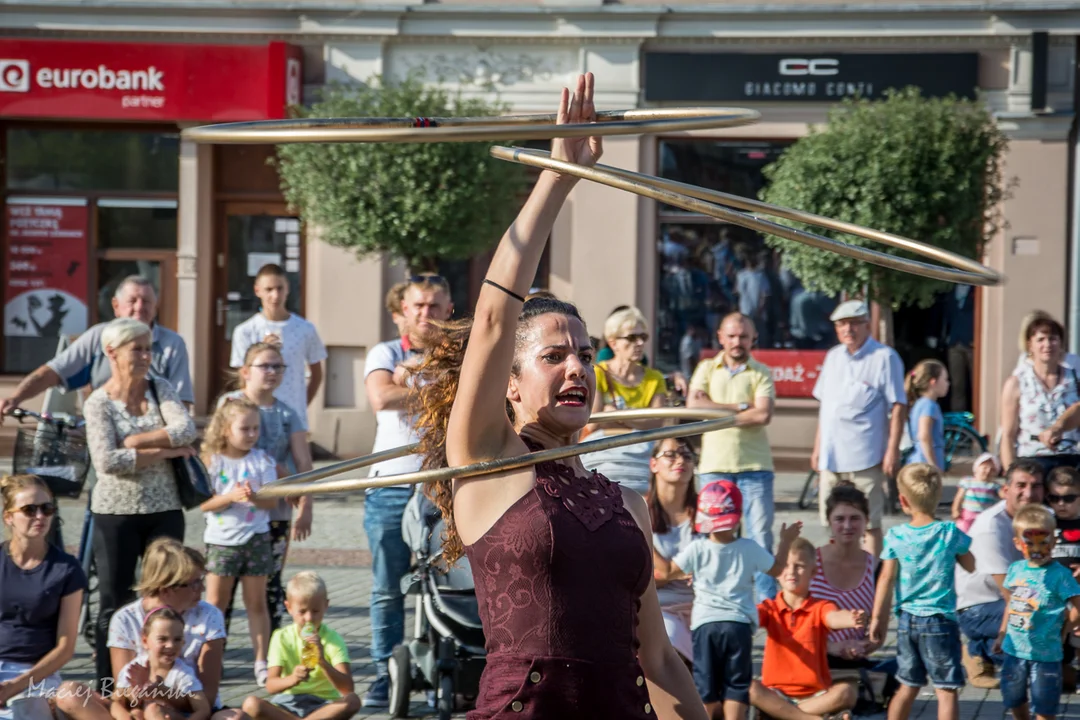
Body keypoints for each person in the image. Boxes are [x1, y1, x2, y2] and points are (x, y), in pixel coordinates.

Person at [409, 73, 706, 719]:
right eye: (553, 356)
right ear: (508, 386)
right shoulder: (487, 463)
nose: (578, 366)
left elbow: (655, 660)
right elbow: (492, 318)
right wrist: (559, 175)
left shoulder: (628, 502)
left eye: (586, 353)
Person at [83, 318, 198, 689]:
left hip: (164, 511)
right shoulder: (97, 403)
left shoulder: (159, 387)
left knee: (166, 598)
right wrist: (161, 451)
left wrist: (134, 441)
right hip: (114, 514)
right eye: (139, 349)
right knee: (114, 603)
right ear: (112, 353)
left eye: (150, 348)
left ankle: (168, 682)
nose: (147, 356)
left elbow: (186, 430)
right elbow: (106, 462)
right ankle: (109, 685)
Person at [360, 273, 453, 708]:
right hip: (391, 485)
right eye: (418, 306)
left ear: (449, 310)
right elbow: (381, 398)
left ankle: (445, 668)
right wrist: (439, 388)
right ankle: (385, 673)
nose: (426, 314)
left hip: (444, 485)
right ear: (404, 310)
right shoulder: (386, 351)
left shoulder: (460, 355)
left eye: (434, 306)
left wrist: (411, 383)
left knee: (451, 584)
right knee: (387, 587)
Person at [665, 480, 802, 720]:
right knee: (736, 688)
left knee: (705, 687)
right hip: (738, 624)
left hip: (705, 625)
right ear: (737, 516)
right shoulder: (749, 548)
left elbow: (668, 572)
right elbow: (778, 568)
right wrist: (786, 540)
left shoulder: (697, 549)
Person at [219, 343, 314, 639]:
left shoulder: (288, 413)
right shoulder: (230, 403)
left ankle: (271, 658)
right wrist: (279, 473)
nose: (272, 372)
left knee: (270, 584)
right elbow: (216, 450)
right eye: (265, 366)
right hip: (232, 511)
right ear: (245, 372)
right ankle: (213, 656)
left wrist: (306, 506)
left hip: (275, 512)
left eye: (278, 367)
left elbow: (304, 461)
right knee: (225, 586)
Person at [0, 276, 194, 418]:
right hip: (101, 426)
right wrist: (15, 398)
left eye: (147, 301)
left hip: (151, 429)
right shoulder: (99, 336)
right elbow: (54, 371)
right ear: (116, 306)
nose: (140, 307)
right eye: (132, 301)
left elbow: (181, 402)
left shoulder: (172, 344)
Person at [870, 463, 974, 720]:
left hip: (907, 621)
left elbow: (885, 578)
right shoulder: (948, 532)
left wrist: (877, 619)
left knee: (907, 685)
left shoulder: (896, 535)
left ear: (903, 500)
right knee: (946, 690)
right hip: (940, 621)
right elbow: (971, 565)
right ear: (938, 497)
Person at [687, 312, 777, 601]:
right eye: (732, 336)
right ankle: (714, 599)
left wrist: (717, 411)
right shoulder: (705, 368)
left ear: (753, 339)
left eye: (744, 336)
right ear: (721, 338)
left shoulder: (761, 371)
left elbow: (763, 414)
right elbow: (694, 407)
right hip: (714, 465)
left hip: (756, 467)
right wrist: (741, 407)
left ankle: (767, 608)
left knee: (761, 538)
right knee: (713, 538)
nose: (738, 342)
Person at [103, 539, 239, 720]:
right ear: (166, 588)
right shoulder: (125, 619)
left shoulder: (209, 615)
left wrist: (161, 693)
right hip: (144, 711)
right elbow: (126, 697)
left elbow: (208, 696)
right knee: (71, 694)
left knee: (236, 717)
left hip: (196, 709)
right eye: (194, 583)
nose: (202, 588)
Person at [812, 299, 906, 560]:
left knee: (870, 522)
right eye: (842, 324)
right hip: (832, 455)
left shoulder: (884, 357)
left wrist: (892, 450)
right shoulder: (833, 357)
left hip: (866, 454)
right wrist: (818, 448)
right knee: (831, 519)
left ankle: (869, 577)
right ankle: (836, 574)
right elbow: (826, 409)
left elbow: (898, 405)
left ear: (867, 324)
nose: (848, 329)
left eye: (854, 323)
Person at [200, 397, 280, 686]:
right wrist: (230, 497)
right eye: (244, 428)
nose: (251, 434)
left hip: (256, 539)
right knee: (215, 604)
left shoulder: (262, 460)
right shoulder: (212, 461)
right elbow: (204, 504)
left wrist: (255, 497)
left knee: (256, 604)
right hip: (221, 542)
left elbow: (272, 502)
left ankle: (261, 662)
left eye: (255, 428)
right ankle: (209, 660)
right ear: (225, 430)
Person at [749, 538, 866, 720]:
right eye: (786, 566)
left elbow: (833, 617)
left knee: (846, 692)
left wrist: (851, 618)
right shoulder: (769, 608)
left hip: (815, 694)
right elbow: (749, 617)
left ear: (813, 572)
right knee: (750, 688)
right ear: (777, 572)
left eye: (799, 566)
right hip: (775, 692)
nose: (792, 571)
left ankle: (783, 715)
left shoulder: (820, 606)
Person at [0, 475, 86, 720]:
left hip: (37, 673)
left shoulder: (66, 569)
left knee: (24, 714)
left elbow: (66, 647)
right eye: (29, 510)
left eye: (47, 509)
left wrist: (15, 685)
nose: (40, 517)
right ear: (9, 517)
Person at [956, 459, 1046, 689]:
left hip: (1020, 597)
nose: (1029, 493)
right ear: (1005, 490)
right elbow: (1012, 595)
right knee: (1034, 660)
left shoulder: (1042, 516)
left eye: (1035, 486)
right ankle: (978, 651)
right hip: (978, 607)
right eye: (1021, 485)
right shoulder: (991, 526)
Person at [994, 504, 1080, 720]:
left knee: (1044, 705)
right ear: (1017, 543)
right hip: (1014, 650)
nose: (1037, 548)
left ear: (1054, 541)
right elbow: (1012, 603)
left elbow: (1078, 605)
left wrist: (1065, 628)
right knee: (1013, 697)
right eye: (1029, 543)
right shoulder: (1016, 569)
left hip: (1046, 654)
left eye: (1044, 542)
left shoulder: (1060, 575)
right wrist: (1002, 633)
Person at [241, 572, 360, 720]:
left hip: (323, 705)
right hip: (287, 704)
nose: (309, 618)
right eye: (302, 611)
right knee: (251, 704)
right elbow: (271, 686)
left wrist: (322, 662)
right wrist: (293, 678)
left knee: (353, 701)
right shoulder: (281, 637)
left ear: (326, 605)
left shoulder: (332, 638)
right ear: (289, 607)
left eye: (315, 611)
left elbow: (347, 688)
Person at [580, 306, 670, 495]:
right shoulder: (598, 372)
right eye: (631, 338)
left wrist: (618, 415)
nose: (639, 343)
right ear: (613, 343)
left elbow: (657, 421)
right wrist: (638, 420)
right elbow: (594, 420)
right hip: (603, 456)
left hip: (641, 459)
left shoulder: (654, 378)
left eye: (643, 337)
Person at [229, 264, 327, 427]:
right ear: (257, 291)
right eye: (269, 289)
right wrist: (261, 350)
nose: (275, 296)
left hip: (293, 417)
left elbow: (316, 373)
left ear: (287, 289)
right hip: (257, 418)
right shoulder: (245, 331)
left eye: (279, 288)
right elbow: (242, 376)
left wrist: (302, 405)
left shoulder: (305, 329)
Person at [808, 484, 879, 668]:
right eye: (839, 519)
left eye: (855, 518)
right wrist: (832, 647)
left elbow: (879, 631)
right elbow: (790, 623)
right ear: (829, 521)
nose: (847, 526)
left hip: (854, 659)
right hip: (811, 658)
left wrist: (861, 646)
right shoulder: (809, 562)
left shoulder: (876, 568)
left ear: (866, 521)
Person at [1001, 314, 1080, 473]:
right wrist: (1011, 475)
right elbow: (1008, 436)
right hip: (1032, 461)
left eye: (1053, 339)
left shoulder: (1075, 380)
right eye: (1041, 339)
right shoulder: (1017, 383)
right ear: (1030, 345)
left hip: (1070, 460)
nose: (1047, 344)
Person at [647, 438, 699, 662]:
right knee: (669, 642)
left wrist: (667, 573)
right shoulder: (637, 509)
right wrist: (677, 572)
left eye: (687, 456)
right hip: (660, 608)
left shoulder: (708, 510)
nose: (680, 460)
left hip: (704, 605)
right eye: (671, 455)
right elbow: (641, 577)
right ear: (653, 464)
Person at [112, 607, 211, 720]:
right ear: (145, 641)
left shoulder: (182, 673)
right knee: (136, 713)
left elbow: (203, 709)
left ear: (183, 642)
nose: (170, 645)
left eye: (177, 639)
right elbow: (115, 702)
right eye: (162, 639)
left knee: (153, 709)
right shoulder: (133, 669)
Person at [905, 360, 949, 471]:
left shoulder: (921, 403)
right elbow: (924, 436)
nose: (948, 383)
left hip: (918, 462)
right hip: (924, 465)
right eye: (945, 379)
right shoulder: (929, 405)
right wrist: (933, 465)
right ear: (933, 382)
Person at [952, 453, 1004, 533]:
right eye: (985, 467)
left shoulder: (994, 485)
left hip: (985, 516)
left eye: (992, 470)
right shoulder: (967, 481)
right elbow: (959, 497)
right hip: (967, 515)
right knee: (963, 532)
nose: (988, 471)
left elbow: (1003, 495)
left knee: (982, 533)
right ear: (976, 468)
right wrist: (955, 510)